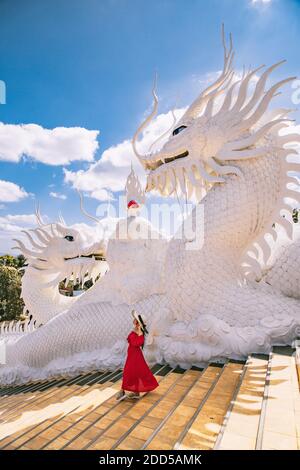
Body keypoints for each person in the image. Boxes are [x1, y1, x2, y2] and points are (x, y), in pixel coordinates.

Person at [116, 310, 159, 401]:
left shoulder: (140, 332)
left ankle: (122, 391)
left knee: (128, 372)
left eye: (135, 319)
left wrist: (139, 333)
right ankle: (136, 392)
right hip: (132, 355)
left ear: (138, 322)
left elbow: (137, 343)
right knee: (134, 373)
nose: (133, 320)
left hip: (135, 356)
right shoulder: (135, 330)